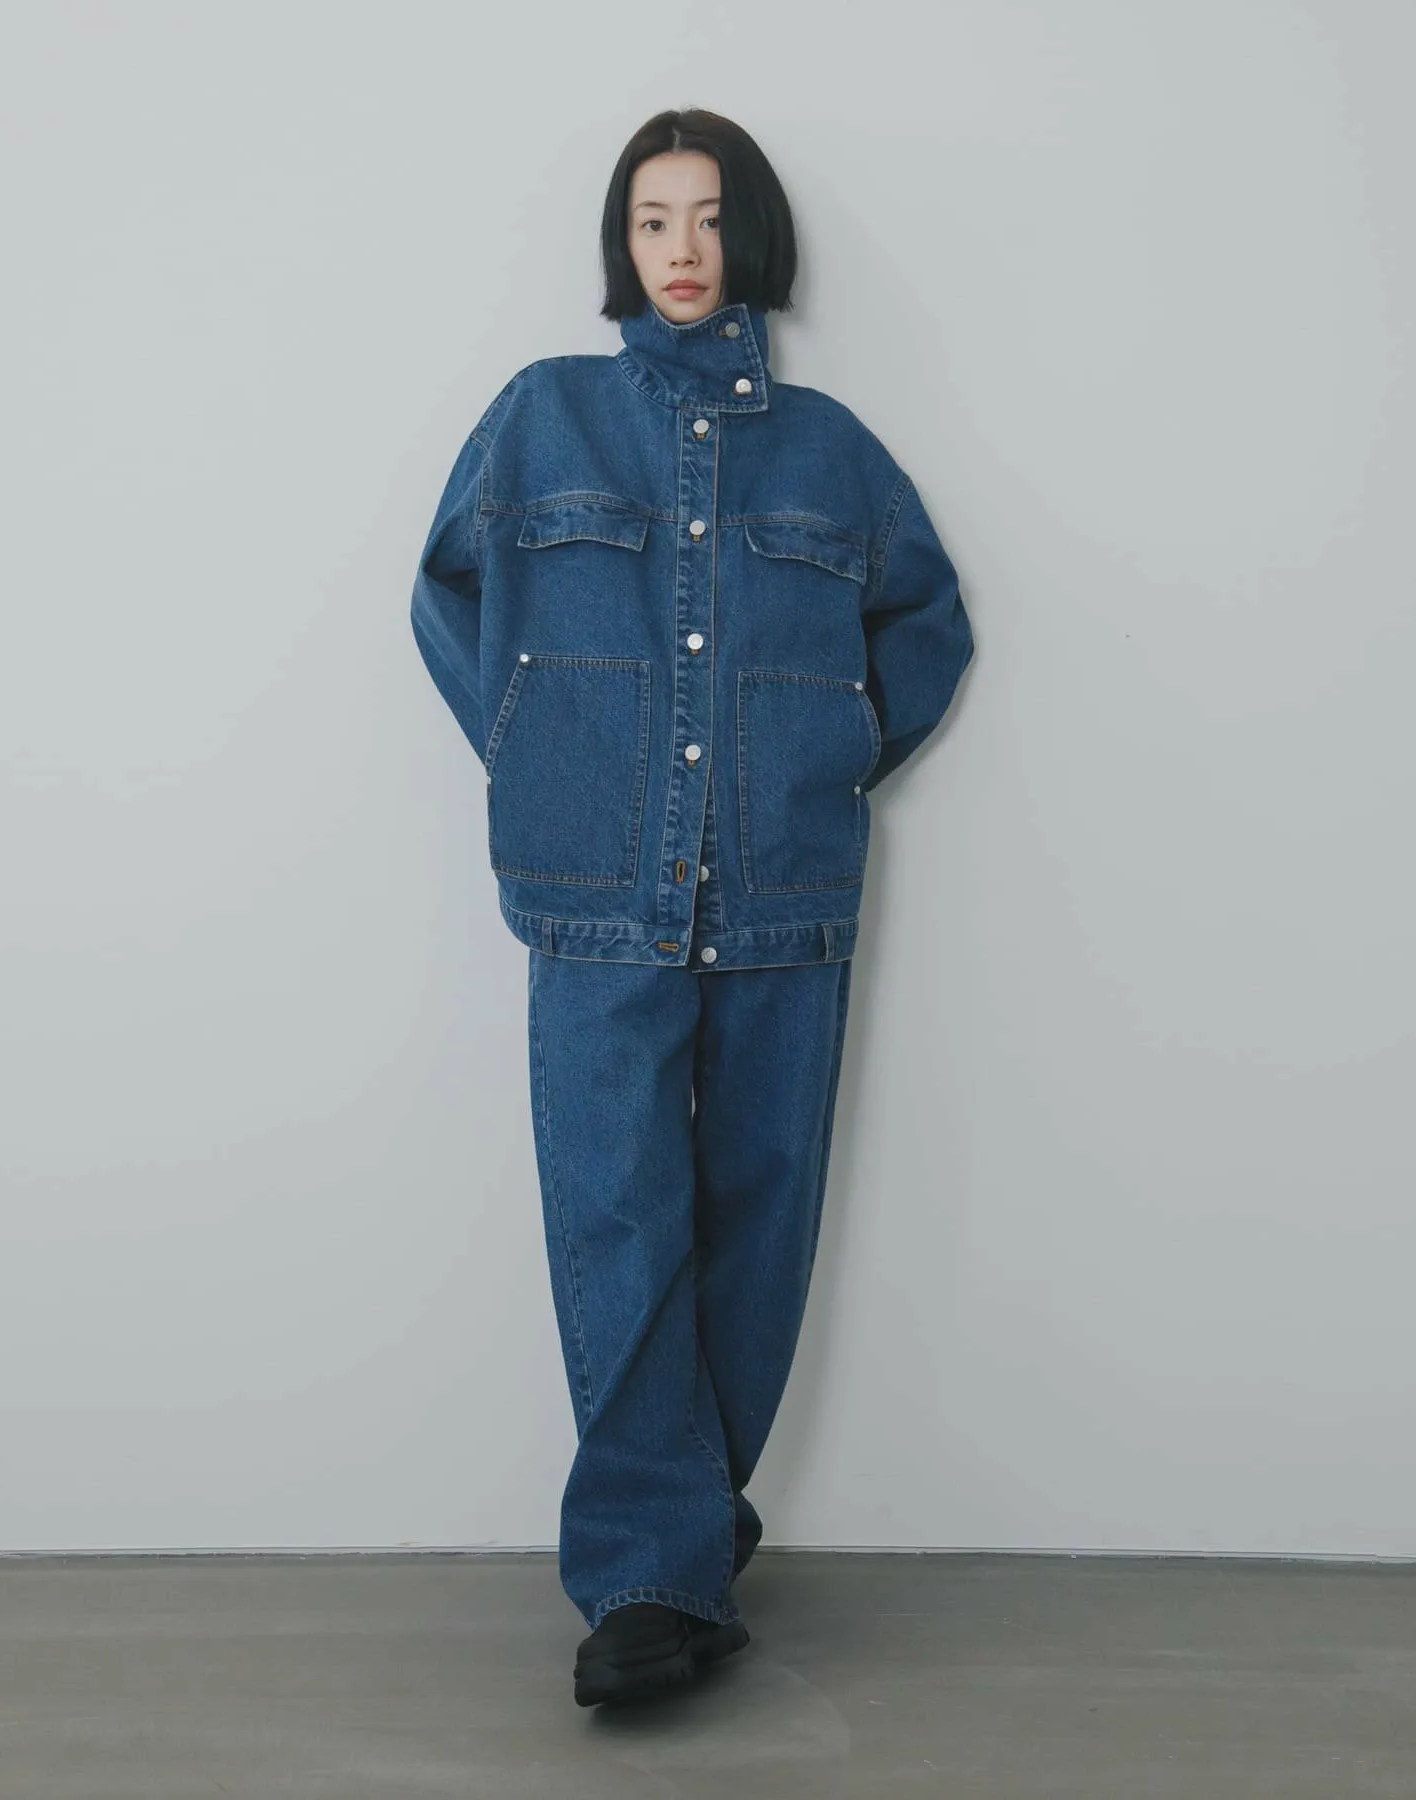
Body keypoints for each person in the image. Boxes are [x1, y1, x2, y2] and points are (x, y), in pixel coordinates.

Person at [410, 108, 973, 1708]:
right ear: (621, 241)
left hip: (786, 888)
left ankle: (675, 1554)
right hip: (593, 888)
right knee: (618, 1219)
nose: (681, 248)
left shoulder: (836, 453)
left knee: (758, 1220)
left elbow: (925, 625)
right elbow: (447, 590)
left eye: (710, 217)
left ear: (754, 238)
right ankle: (653, 1574)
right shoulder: (544, 419)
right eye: (653, 218)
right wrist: (544, 748)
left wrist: (822, 762)